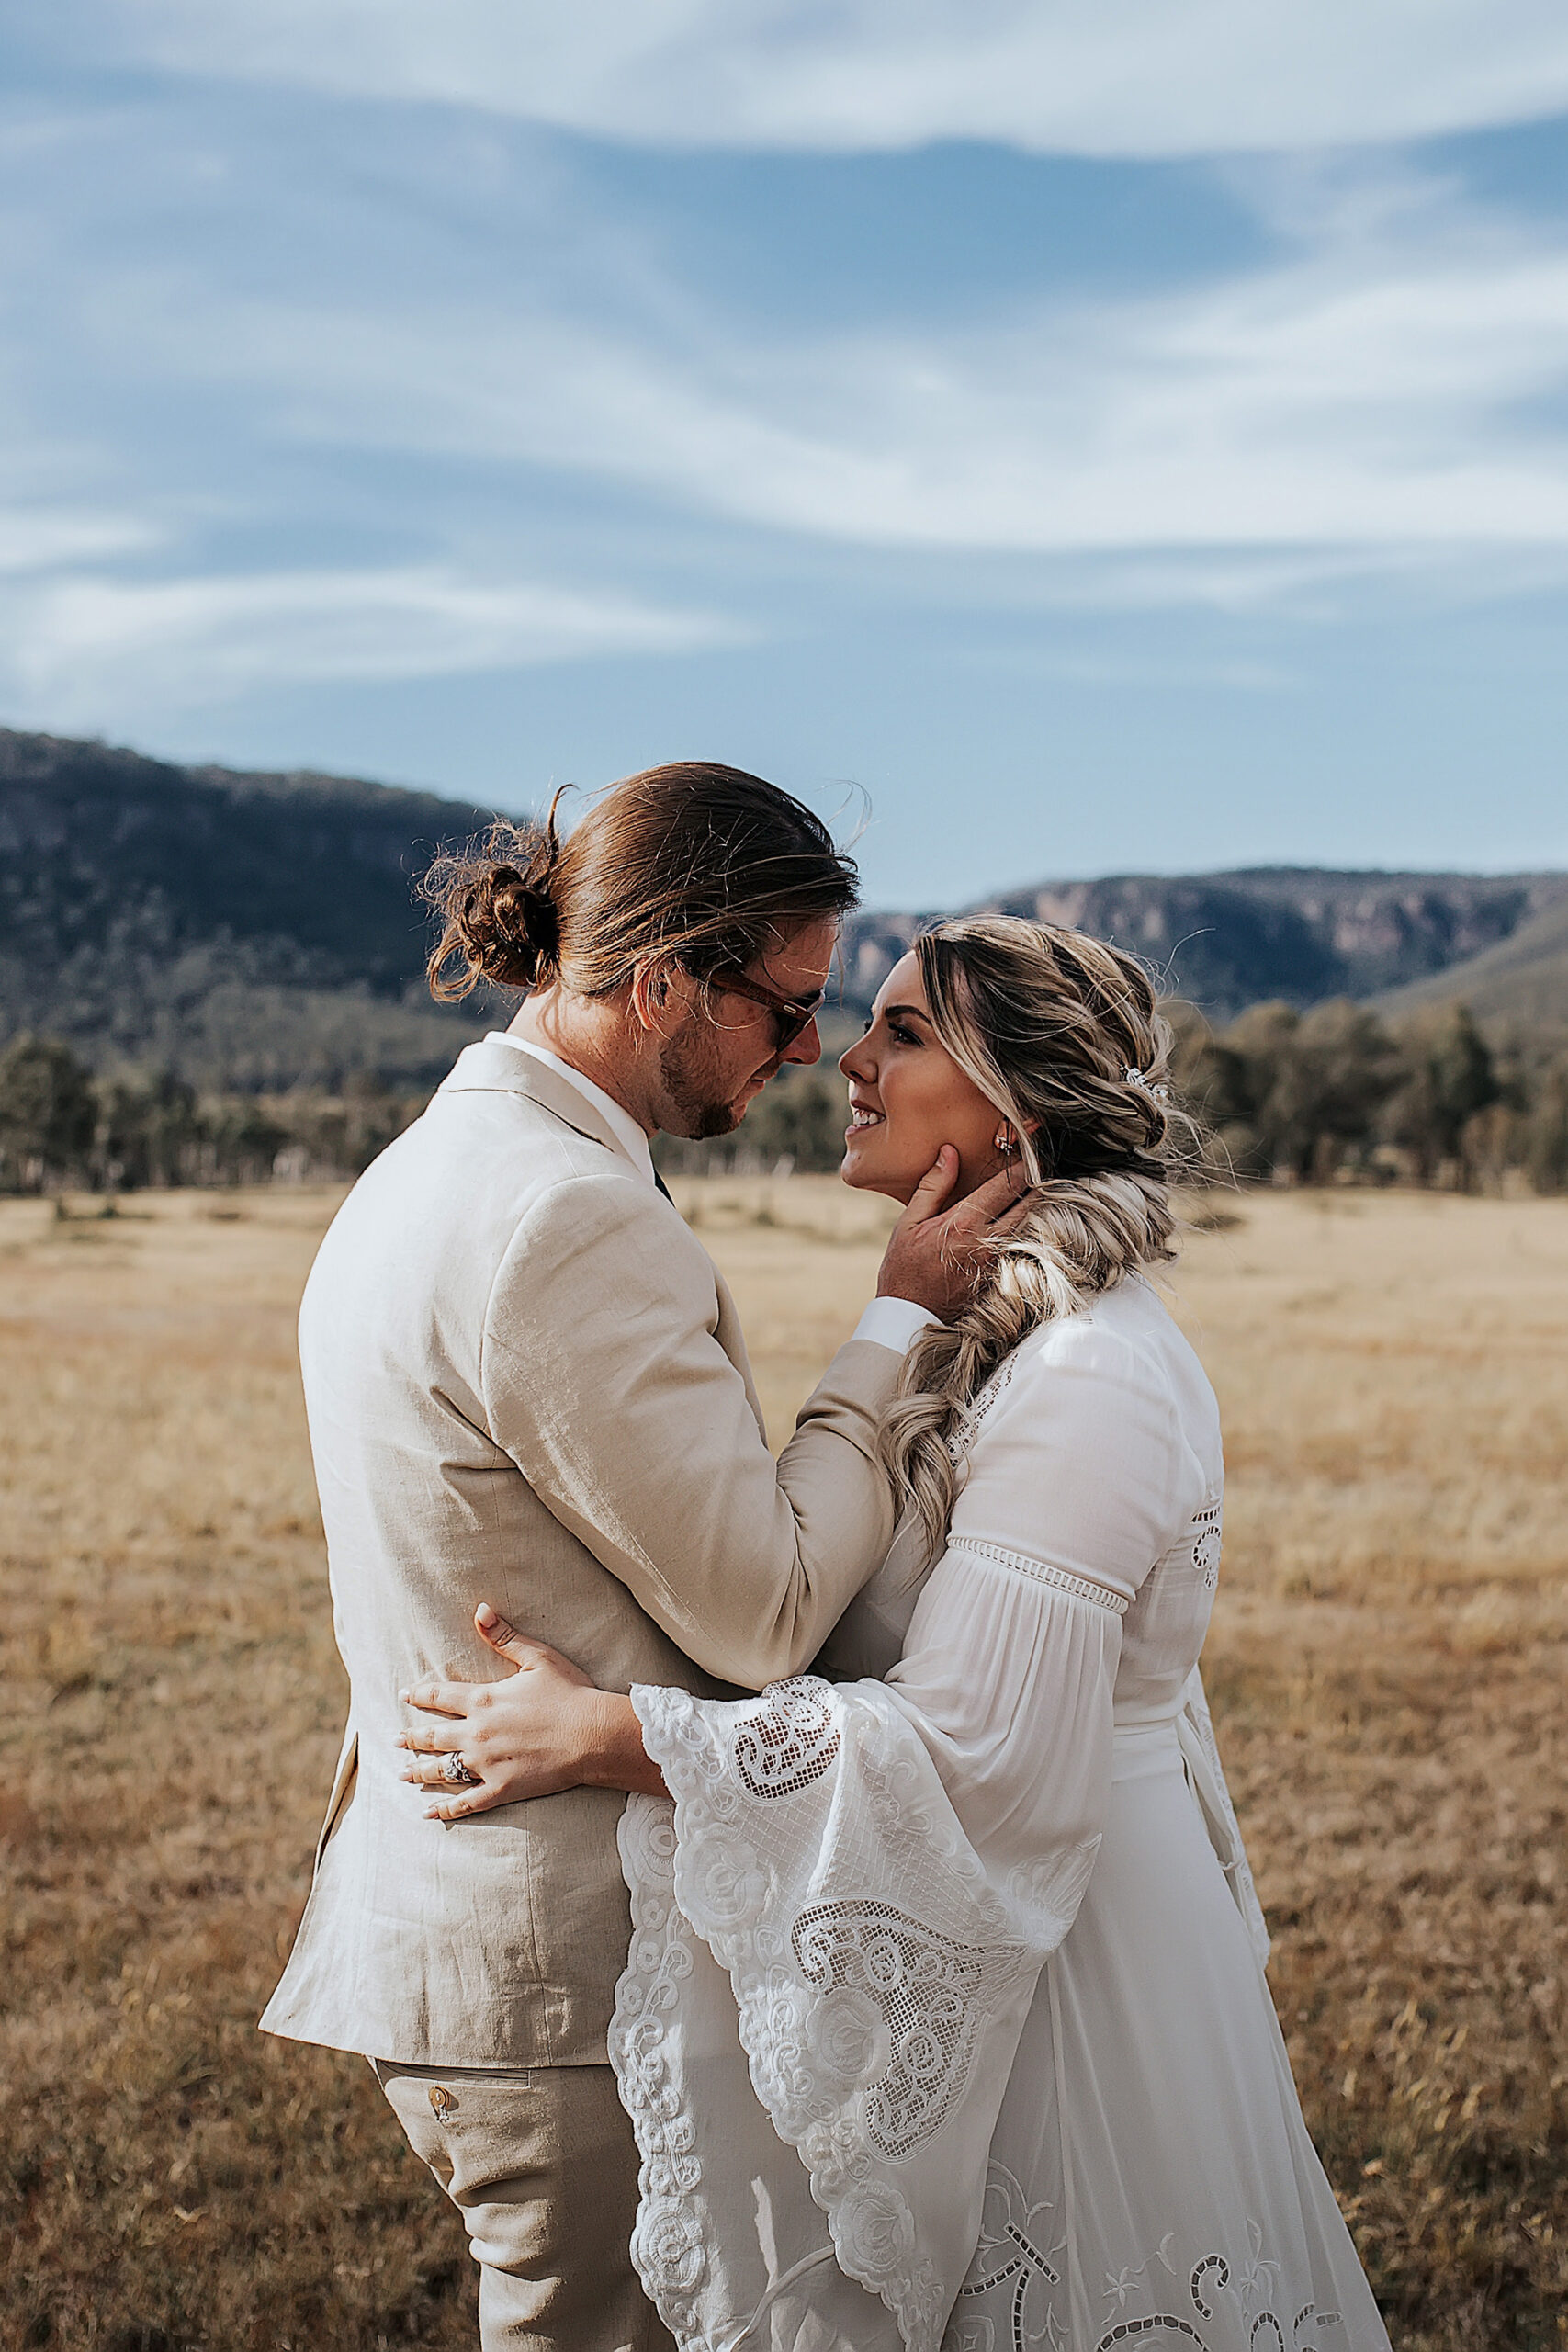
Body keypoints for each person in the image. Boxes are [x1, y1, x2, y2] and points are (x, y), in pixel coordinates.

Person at [400, 915, 1393, 2352]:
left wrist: (616, 1737)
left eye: (904, 1032)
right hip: (1026, 1933)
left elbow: (980, 1749)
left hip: (1080, 1970)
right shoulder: (990, 1336)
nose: (844, 1060)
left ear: (1019, 1101)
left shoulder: (1091, 1375)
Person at [260, 766, 1021, 2352]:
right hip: (559, 1975)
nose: (814, 1051)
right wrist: (901, 1317)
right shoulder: (559, 1216)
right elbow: (762, 1611)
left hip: (471, 1928)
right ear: (662, 971)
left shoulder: (430, 1168)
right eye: (787, 1003)